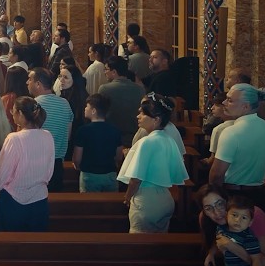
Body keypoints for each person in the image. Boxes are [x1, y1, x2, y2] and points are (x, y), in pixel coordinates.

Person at [118, 95, 189, 233]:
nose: (138, 116)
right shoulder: (169, 140)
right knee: (159, 244)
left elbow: (136, 179)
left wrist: (127, 197)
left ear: (156, 120)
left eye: (143, 113)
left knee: (140, 244)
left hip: (147, 200)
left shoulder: (147, 142)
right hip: (165, 198)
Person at [209, 83, 265, 211]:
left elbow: (216, 175)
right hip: (260, 195)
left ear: (245, 106)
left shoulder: (231, 132)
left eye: (230, 100)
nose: (224, 102)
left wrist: (216, 198)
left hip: (235, 198)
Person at [0, 97, 54, 232]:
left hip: (14, 201)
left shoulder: (14, 138)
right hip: (40, 198)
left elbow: (3, 173)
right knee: (36, 244)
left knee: (12, 244)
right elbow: (50, 169)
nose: (11, 114)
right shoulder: (47, 135)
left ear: (20, 114)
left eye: (13, 111)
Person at [27, 68, 73, 192]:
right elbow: (68, 135)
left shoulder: (33, 105)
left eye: (30, 79)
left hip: (36, 162)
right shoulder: (65, 103)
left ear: (38, 84)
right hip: (57, 162)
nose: (27, 82)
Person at [72, 94, 121, 193]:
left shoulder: (83, 130)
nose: (85, 109)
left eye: (87, 106)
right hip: (110, 174)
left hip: (90, 175)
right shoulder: (115, 130)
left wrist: (78, 166)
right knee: (110, 207)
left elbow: (77, 158)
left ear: (93, 111)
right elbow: (119, 156)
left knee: (89, 207)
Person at [214, 195, 263, 266]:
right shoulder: (222, 229)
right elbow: (217, 240)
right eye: (234, 215)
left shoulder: (249, 238)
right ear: (226, 214)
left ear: (250, 222)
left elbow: (257, 260)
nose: (238, 220)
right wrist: (211, 253)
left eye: (244, 218)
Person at [98, 56, 145, 147]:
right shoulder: (140, 89)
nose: (105, 72)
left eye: (106, 69)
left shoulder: (104, 89)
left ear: (114, 72)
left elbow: (100, 113)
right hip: (134, 135)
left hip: (111, 136)